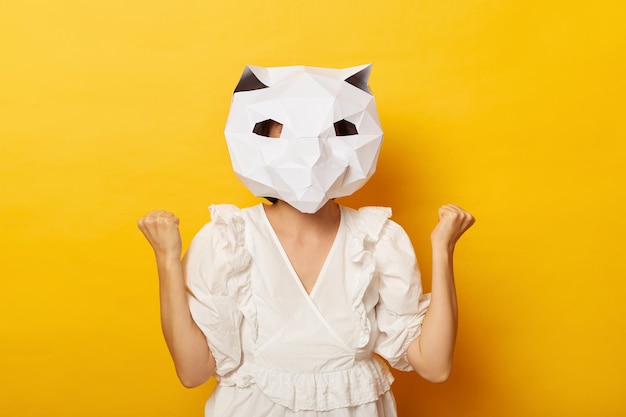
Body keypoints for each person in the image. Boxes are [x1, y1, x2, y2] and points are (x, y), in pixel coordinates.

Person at [138, 65, 475, 416]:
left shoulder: (377, 240)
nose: (312, 156)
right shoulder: (228, 240)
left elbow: (434, 366)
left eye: (329, 136)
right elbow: (193, 372)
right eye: (288, 138)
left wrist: (443, 249)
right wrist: (167, 260)